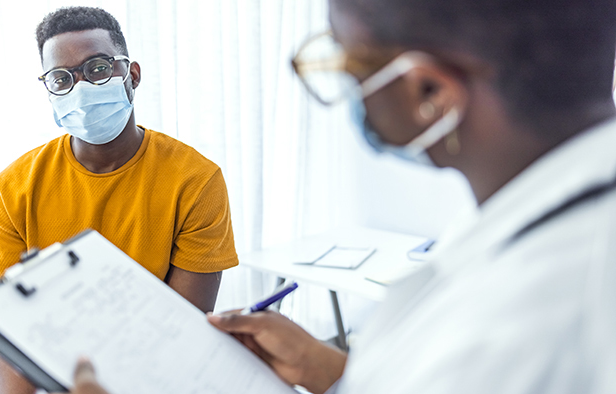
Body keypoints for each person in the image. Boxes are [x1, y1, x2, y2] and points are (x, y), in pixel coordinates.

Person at [55, 0, 616, 392]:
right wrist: (336, 374)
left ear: (430, 93)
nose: (347, 88)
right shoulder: (557, 233)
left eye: (347, 63)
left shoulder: (526, 320)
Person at [0, 6, 239, 394]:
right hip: (51, 373)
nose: (81, 87)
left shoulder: (195, 180)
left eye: (98, 68)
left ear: (131, 75)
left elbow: (181, 330)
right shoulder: (14, 188)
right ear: (49, 90)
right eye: (61, 78)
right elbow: (6, 333)